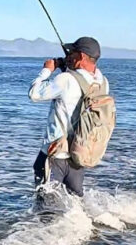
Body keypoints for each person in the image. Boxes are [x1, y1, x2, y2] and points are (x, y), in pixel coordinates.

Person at [28, 36, 108, 197]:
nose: (68, 56)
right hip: (79, 154)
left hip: (55, 153)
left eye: (71, 53)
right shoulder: (102, 82)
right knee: (75, 204)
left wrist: (47, 70)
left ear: (82, 56)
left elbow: (34, 94)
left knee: (45, 205)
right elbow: (78, 92)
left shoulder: (65, 79)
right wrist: (68, 69)